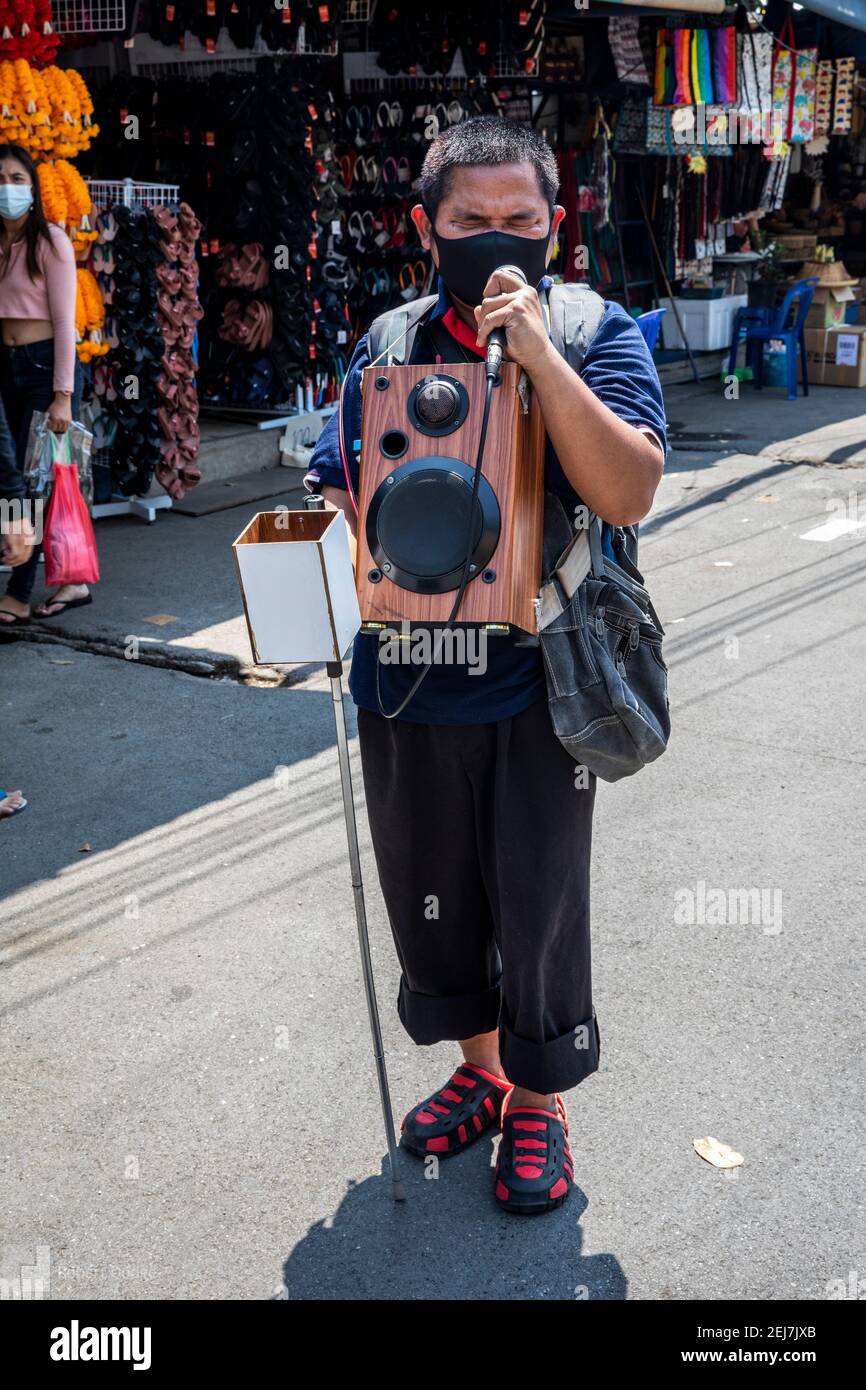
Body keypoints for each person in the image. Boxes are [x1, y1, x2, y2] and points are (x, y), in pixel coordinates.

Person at [306, 118, 666, 1215]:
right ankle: (481, 1067)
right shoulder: (388, 340)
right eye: (472, 222)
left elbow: (625, 493)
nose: (496, 239)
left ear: (556, 225)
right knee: (433, 897)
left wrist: (540, 356)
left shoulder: (595, 329)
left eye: (520, 220)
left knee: (537, 899)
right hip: (407, 671)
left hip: (535, 678)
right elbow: (338, 483)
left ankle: (539, 1100)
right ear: (426, 227)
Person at [0, 143, 86, 628]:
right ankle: (69, 576)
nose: (8, 187)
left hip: (41, 367)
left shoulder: (51, 240)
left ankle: (18, 590)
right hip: (4, 364)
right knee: (18, 474)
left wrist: (62, 395)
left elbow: (64, 320)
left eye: (17, 178)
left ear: (32, 187)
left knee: (33, 480)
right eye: (1, 178)